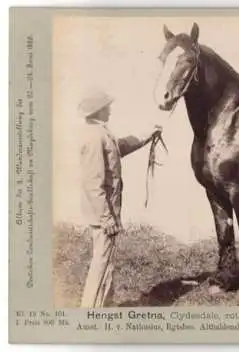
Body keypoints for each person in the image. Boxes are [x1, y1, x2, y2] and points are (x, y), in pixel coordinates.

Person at [77, 90, 161, 308]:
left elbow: (119, 148)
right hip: (103, 214)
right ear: (98, 111)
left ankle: (102, 308)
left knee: (106, 262)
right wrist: (107, 218)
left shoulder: (100, 133)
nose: (110, 109)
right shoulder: (95, 137)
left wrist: (146, 135)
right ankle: (91, 314)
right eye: (107, 106)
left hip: (105, 212)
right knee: (102, 264)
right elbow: (93, 184)